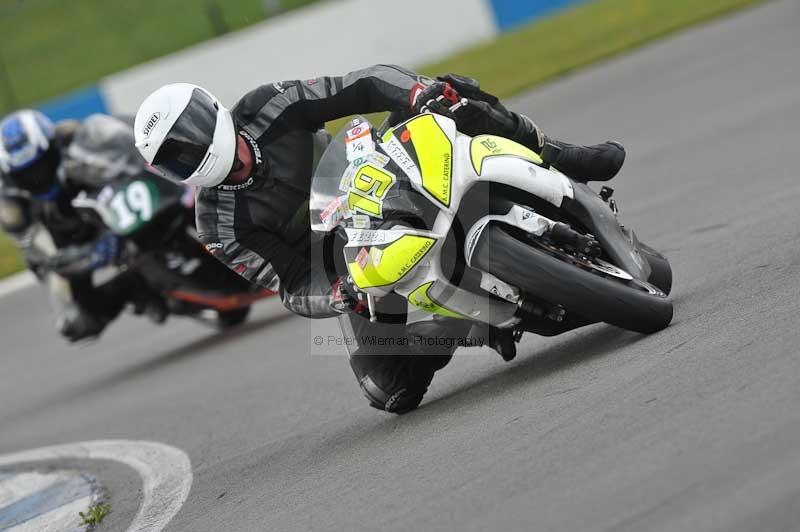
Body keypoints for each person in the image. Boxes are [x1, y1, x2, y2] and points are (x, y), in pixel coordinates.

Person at [133, 65, 625, 413]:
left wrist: (416, 95)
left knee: (451, 93)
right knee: (387, 392)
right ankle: (477, 322)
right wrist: (336, 294)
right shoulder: (216, 225)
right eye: (176, 155)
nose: (192, 152)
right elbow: (290, 283)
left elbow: (362, 85)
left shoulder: (269, 104)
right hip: (348, 260)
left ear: (210, 112)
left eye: (190, 135)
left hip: (378, 172)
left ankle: (560, 155)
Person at [0, 110, 147, 341]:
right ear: (11, 175)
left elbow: (125, 148)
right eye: (26, 173)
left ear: (51, 146)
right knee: (82, 320)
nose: (37, 176)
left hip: (108, 197)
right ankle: (139, 287)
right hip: (74, 239)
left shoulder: (71, 134)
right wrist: (82, 258)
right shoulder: (10, 204)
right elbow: (38, 256)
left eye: (40, 164)